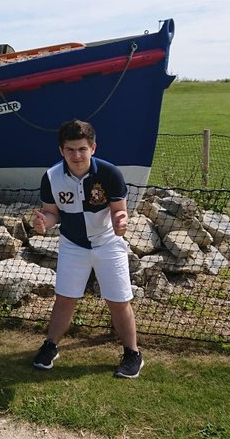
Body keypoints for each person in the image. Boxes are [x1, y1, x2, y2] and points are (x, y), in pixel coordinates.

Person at [31, 118, 143, 378]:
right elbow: (52, 213)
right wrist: (42, 223)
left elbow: (119, 211)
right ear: (61, 150)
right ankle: (51, 346)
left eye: (82, 149)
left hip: (107, 243)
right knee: (64, 299)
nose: (76, 155)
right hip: (73, 245)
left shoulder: (110, 173)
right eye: (70, 149)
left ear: (93, 148)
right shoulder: (51, 177)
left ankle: (132, 353)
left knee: (118, 300)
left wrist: (121, 221)